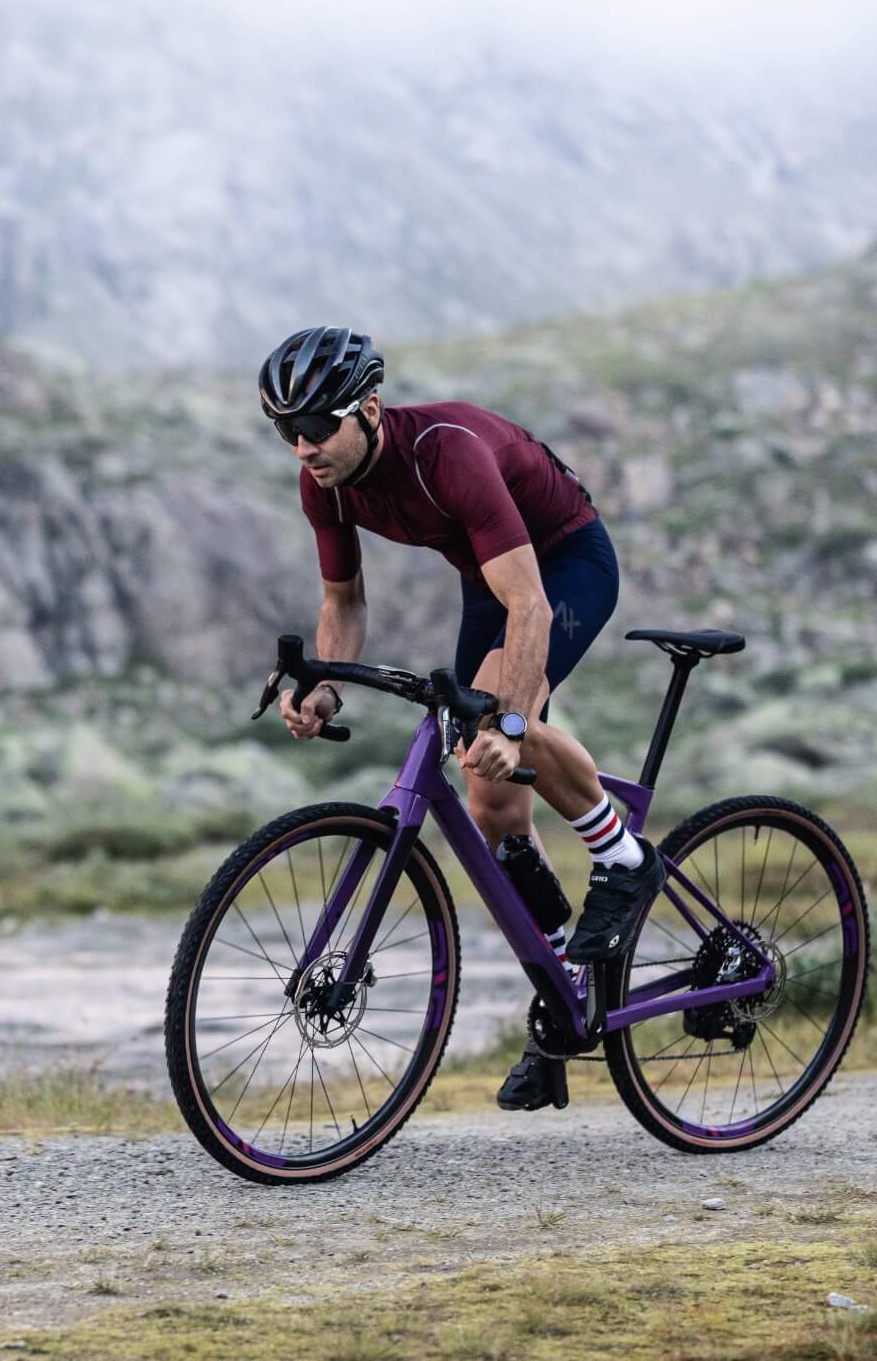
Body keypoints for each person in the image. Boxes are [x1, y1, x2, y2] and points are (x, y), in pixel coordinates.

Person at [262, 324, 662, 1112]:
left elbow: (531, 605)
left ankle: (622, 857)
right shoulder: (324, 483)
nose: (302, 446)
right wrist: (326, 684)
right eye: (285, 430)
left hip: (563, 564)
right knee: (489, 798)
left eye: (315, 426)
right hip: (493, 578)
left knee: (499, 728)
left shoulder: (446, 452)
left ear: (368, 408)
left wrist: (509, 724)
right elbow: (344, 601)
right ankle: (568, 988)